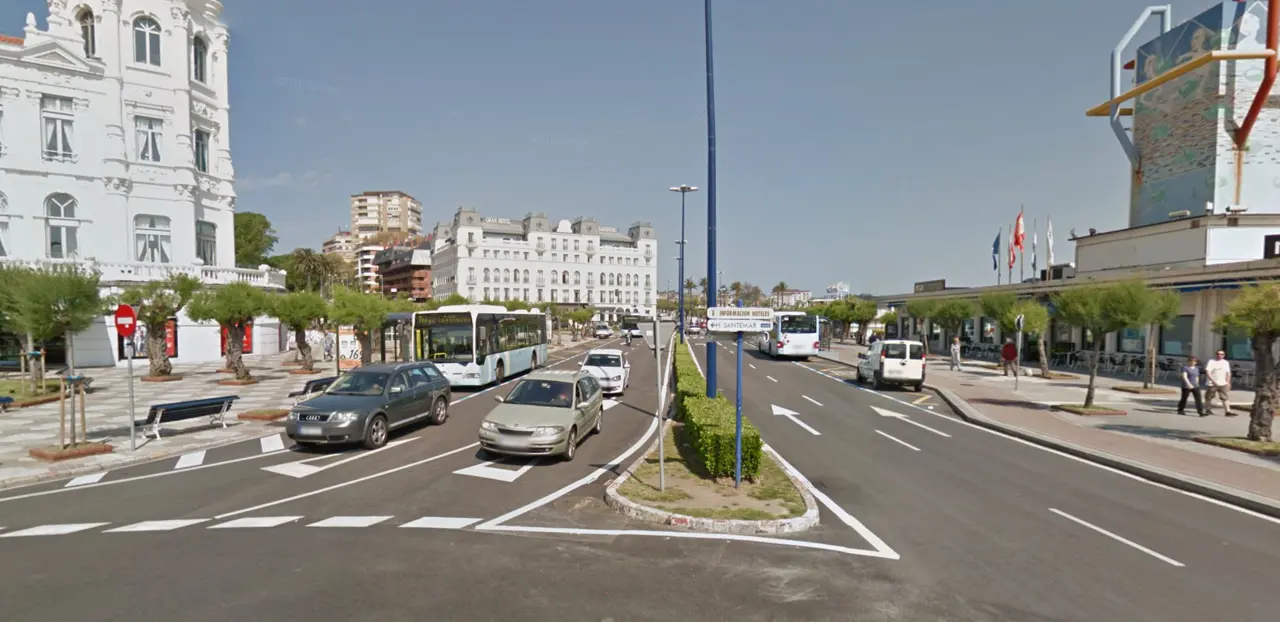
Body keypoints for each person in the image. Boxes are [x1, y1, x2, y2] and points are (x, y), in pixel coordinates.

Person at [1203, 350, 1234, 416]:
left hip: (1223, 383)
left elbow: (1228, 373)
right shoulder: (1211, 361)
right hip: (1212, 383)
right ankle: (1207, 410)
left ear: (1224, 355)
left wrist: (1228, 382)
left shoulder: (1226, 362)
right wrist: (1213, 381)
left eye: (1222, 354)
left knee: (1225, 397)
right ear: (1216, 355)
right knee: (1209, 397)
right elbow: (1208, 372)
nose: (1220, 355)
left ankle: (1228, 411)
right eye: (1218, 354)